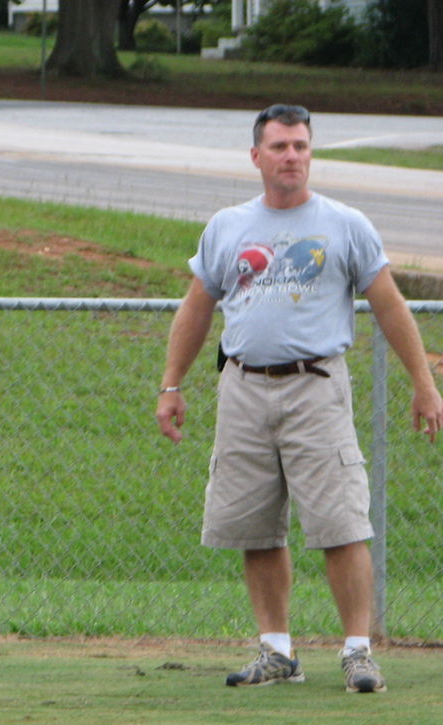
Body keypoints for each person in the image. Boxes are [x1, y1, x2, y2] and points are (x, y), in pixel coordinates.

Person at [155, 104, 443, 694]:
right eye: (281, 146)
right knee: (255, 527)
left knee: (341, 522)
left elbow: (389, 304)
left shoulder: (344, 224)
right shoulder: (228, 227)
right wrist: (171, 384)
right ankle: (277, 650)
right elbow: (197, 307)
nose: (292, 157)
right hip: (242, 388)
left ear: (311, 154)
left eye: (302, 147)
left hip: (316, 387)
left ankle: (358, 652)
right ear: (256, 156)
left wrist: (423, 381)